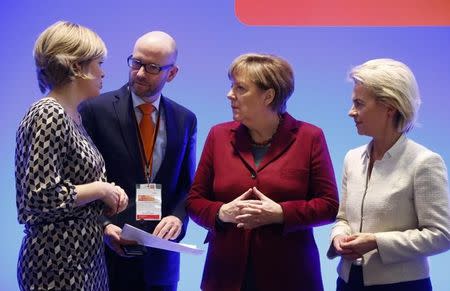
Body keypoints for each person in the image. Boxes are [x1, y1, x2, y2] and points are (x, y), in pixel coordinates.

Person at [186, 53, 339, 291]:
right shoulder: (218, 135)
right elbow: (195, 201)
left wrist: (281, 213)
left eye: (240, 88)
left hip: (290, 276)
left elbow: (329, 205)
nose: (230, 95)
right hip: (225, 276)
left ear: (268, 96)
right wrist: (221, 212)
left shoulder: (310, 137)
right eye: (231, 87)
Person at [79, 31, 197, 291]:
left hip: (161, 262)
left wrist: (178, 218)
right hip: (108, 256)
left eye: (153, 67)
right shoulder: (94, 109)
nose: (141, 73)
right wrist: (104, 226)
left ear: (172, 73)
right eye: (136, 62)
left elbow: (188, 185)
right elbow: (80, 182)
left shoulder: (185, 119)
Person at [15, 21, 128, 291]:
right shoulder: (48, 113)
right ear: (76, 66)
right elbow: (40, 197)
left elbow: (67, 202)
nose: (103, 71)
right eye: (98, 62)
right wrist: (102, 189)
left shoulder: (73, 116)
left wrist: (102, 225)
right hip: (57, 267)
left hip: (82, 263)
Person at [328, 58, 450, 291]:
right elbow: (343, 219)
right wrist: (338, 237)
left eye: (359, 103)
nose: (350, 112)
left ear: (390, 107)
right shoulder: (352, 158)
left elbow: (441, 235)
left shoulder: (424, 162)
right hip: (347, 282)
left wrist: (376, 242)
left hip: (403, 286)